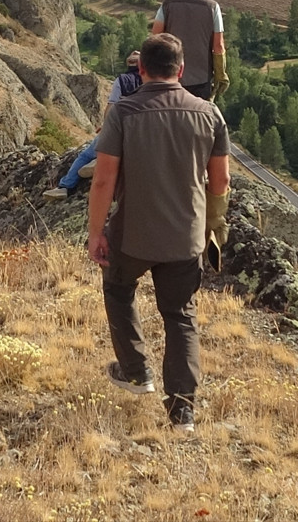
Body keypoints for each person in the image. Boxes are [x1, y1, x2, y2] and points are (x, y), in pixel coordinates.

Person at [86, 32, 230, 431]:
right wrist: (212, 228)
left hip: (132, 232)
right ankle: (182, 410)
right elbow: (220, 182)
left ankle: (136, 372)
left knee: (118, 289)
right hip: (186, 236)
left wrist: (96, 232)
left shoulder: (123, 113)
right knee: (180, 315)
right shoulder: (209, 114)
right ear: (181, 71)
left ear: (142, 70)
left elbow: (103, 181)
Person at [43, 52, 142, 199]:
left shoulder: (122, 80)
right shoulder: (152, 81)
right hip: (142, 132)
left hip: (120, 127)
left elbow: (111, 107)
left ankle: (65, 186)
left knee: (85, 155)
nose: (134, 54)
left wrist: (106, 126)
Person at [151, 0, 228, 101]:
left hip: (170, 76)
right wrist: (220, 75)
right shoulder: (213, 7)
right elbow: (218, 46)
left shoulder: (167, 5)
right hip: (201, 80)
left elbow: (155, 39)